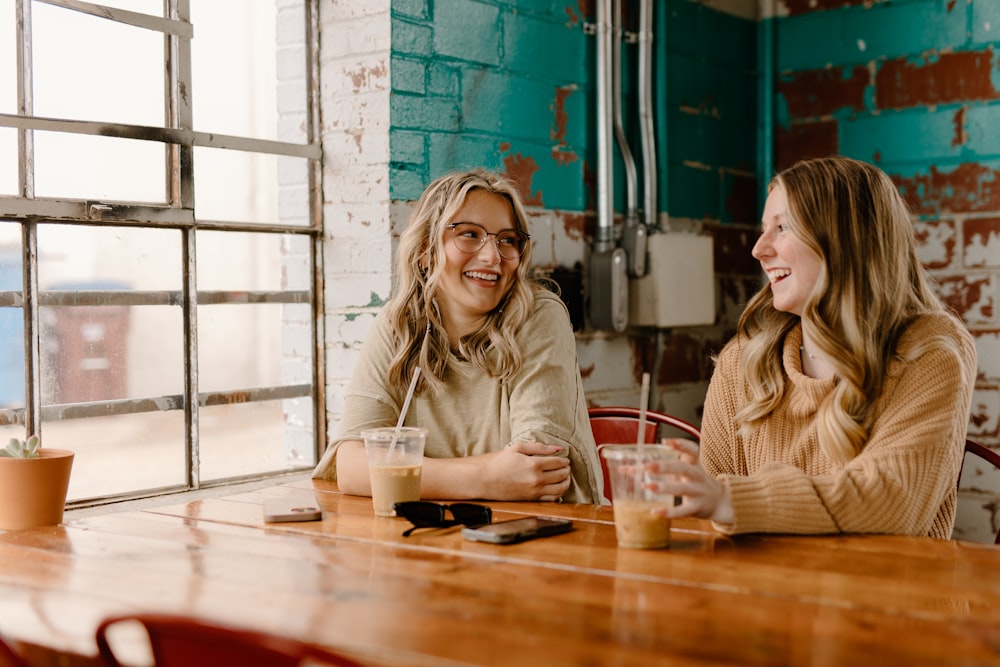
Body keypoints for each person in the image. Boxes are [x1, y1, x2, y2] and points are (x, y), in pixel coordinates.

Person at [660, 156, 977, 539]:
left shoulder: (931, 352)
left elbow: (891, 502)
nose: (759, 249)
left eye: (782, 228)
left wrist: (731, 498)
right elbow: (711, 521)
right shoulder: (742, 361)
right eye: (764, 230)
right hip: (765, 593)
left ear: (848, 239)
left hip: (889, 594)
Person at [313, 168, 602, 504]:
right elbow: (350, 467)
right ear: (426, 250)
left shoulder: (538, 315)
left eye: (507, 239)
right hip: (436, 537)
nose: (493, 256)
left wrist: (402, 470)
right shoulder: (398, 325)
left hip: (554, 536)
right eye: (469, 234)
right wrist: (487, 478)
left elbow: (535, 472)